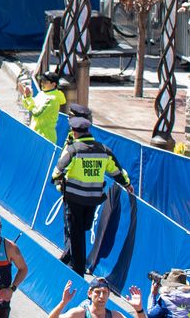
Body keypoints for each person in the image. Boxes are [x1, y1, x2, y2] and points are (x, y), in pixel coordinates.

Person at [52, 116, 131, 274]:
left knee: (75, 233)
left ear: (74, 133)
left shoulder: (73, 150)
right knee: (83, 229)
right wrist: (127, 184)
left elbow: (57, 171)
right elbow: (116, 171)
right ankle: (70, 259)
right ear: (88, 131)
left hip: (74, 198)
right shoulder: (104, 150)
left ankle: (78, 270)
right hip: (92, 200)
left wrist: (59, 182)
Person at [44, 278, 142, 318]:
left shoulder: (115, 316)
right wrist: (63, 303)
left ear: (108, 295)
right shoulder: (79, 314)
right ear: (89, 294)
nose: (101, 296)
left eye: (104, 292)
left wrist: (139, 310)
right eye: (97, 292)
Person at [20, 69, 68, 140]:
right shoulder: (42, 93)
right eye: (42, 81)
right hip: (35, 132)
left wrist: (28, 98)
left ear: (53, 84)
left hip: (46, 136)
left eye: (45, 82)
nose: (42, 83)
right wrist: (26, 96)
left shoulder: (52, 99)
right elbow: (30, 106)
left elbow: (37, 113)